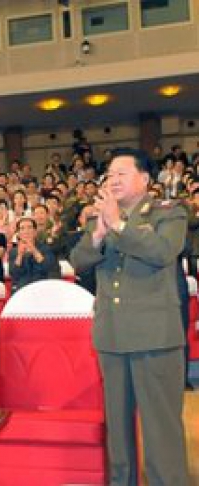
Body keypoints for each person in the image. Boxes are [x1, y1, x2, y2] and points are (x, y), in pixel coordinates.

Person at [70, 148, 189, 485]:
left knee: (160, 431)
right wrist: (98, 234)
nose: (113, 179)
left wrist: (119, 225)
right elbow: (78, 261)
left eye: (122, 173)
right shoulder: (100, 219)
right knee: (118, 433)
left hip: (154, 337)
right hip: (112, 335)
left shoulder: (169, 213)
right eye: (110, 174)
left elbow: (162, 252)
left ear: (145, 179)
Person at [8, 217, 55, 294]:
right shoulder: (13, 251)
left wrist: (34, 250)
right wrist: (19, 255)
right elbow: (14, 274)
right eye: (22, 228)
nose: (26, 231)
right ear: (18, 233)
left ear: (35, 232)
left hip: (41, 289)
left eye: (29, 228)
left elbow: (48, 268)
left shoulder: (45, 248)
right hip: (21, 290)